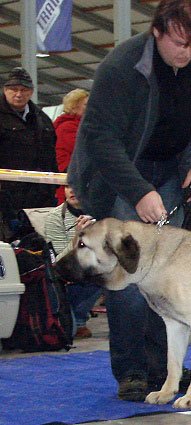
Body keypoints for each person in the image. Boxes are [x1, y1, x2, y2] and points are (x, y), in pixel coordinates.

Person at [67, 0, 191, 401]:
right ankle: (132, 370)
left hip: (173, 170)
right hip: (121, 172)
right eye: (179, 42)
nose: (187, 51)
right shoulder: (121, 67)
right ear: (157, 31)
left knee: (170, 277)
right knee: (126, 272)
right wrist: (139, 191)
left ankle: (165, 370)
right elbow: (100, 138)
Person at [44, 186, 102, 338]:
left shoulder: (102, 212)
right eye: (68, 186)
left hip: (95, 269)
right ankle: (75, 316)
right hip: (66, 274)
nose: (71, 190)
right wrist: (78, 237)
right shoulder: (55, 217)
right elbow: (57, 261)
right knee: (70, 330)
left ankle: (80, 317)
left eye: (76, 185)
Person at [0, 67, 58, 210]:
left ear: (31, 92)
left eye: (24, 89)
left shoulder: (43, 119)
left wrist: (53, 184)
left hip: (40, 195)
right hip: (5, 194)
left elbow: (51, 155)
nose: (18, 94)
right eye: (13, 89)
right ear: (5, 90)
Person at [54, 89, 89, 204]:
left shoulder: (79, 126)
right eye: (86, 104)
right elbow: (84, 150)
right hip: (69, 179)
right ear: (74, 106)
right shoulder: (67, 127)